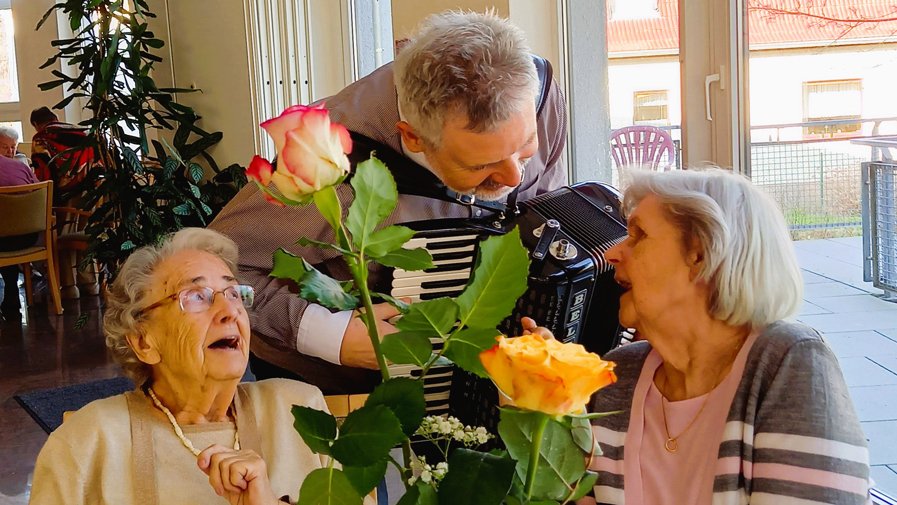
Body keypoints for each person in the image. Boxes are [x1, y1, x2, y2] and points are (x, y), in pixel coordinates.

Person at [210, 10, 569, 393]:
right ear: (413, 138)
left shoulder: (540, 95)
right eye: (480, 164)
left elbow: (542, 218)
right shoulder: (326, 162)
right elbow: (222, 268)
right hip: (346, 389)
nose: (514, 177)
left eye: (525, 147)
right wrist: (331, 334)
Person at [576, 168, 870, 504]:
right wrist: (543, 405)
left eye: (638, 235)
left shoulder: (788, 363)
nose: (613, 254)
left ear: (700, 254)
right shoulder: (617, 376)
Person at [30, 228, 358, 504]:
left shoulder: (297, 409)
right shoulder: (87, 444)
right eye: (197, 296)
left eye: (233, 293)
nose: (228, 310)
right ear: (144, 341)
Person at [0, 155, 40, 320]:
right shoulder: (20, 166)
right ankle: (11, 289)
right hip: (29, 236)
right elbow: (39, 190)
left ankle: (10, 289)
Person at [29, 106, 94, 195]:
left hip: (64, 190)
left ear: (36, 124)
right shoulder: (82, 132)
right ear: (55, 118)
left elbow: (42, 169)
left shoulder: (41, 137)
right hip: (91, 182)